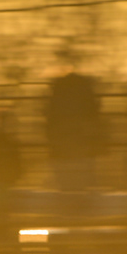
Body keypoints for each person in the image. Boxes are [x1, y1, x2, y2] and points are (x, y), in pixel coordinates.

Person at [45, 64, 103, 193]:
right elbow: (93, 111)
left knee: (66, 171)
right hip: (79, 135)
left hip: (64, 136)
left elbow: (50, 114)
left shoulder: (59, 89)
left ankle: (67, 192)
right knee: (81, 169)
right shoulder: (85, 89)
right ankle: (79, 192)